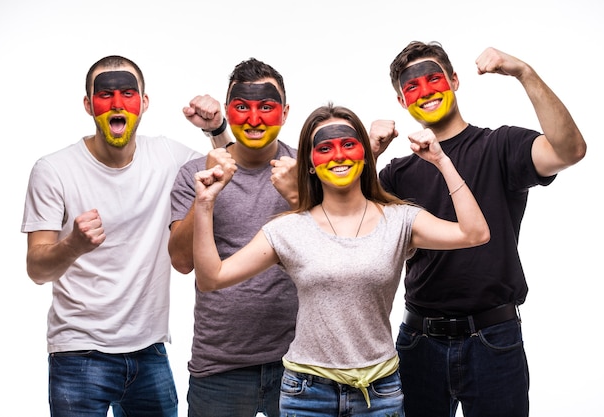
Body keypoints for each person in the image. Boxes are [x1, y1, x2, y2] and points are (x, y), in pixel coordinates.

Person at [191, 103, 490, 417]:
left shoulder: (400, 221)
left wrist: (442, 161)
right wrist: (204, 204)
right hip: (307, 393)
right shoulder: (288, 229)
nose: (339, 156)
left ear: (363, 153)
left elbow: (475, 233)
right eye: (325, 148)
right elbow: (212, 278)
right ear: (308, 163)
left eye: (348, 144)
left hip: (379, 392)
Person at [370, 41, 587, 417]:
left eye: (434, 79)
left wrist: (524, 72)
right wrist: (370, 151)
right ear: (402, 102)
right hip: (418, 342)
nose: (426, 91)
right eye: (412, 87)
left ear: (454, 80)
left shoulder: (500, 146)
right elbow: (342, 226)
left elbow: (570, 151)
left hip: (493, 340)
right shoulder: (397, 174)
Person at [20, 55, 230, 417]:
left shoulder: (166, 156)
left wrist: (217, 129)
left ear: (144, 103)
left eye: (128, 93)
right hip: (78, 353)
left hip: (150, 352)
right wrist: (73, 245)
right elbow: (37, 269)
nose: (117, 104)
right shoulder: (53, 170)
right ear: (88, 105)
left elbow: (229, 169)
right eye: (105, 95)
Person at [168, 58, 299, 417]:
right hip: (219, 368)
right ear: (228, 111)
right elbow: (181, 262)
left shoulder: (307, 169)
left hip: (299, 364)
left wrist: (298, 196)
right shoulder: (195, 172)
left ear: (285, 112)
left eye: (266, 107)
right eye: (242, 107)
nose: (254, 119)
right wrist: (205, 196)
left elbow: (337, 248)